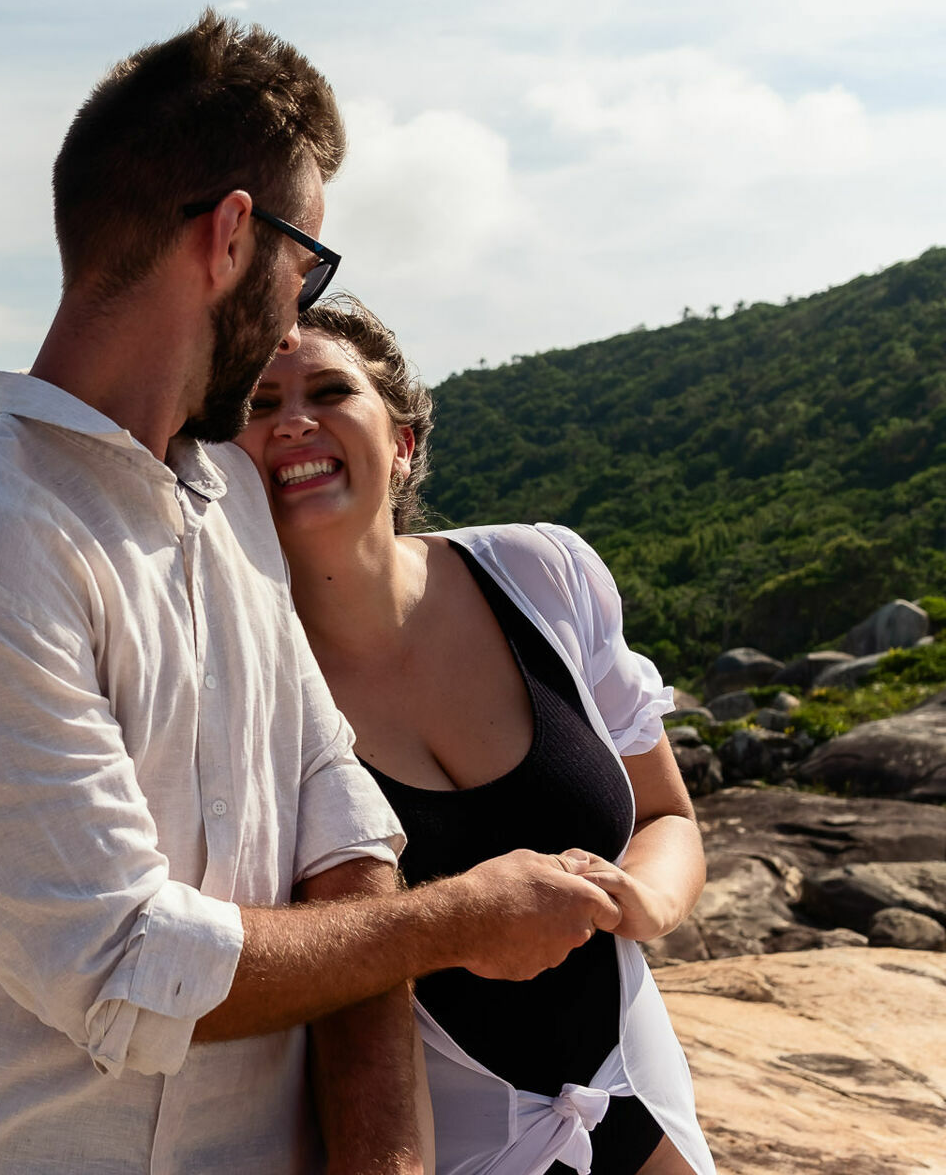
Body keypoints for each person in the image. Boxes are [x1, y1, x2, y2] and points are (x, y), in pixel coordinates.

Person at [0, 11, 622, 1174]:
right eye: (308, 265)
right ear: (233, 236)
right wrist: (456, 920)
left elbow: (339, 821)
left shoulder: (232, 498)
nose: (298, 313)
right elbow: (126, 962)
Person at [233, 293, 714, 1175]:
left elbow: (665, 814)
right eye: (260, 406)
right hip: (447, 1152)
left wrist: (645, 902)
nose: (294, 421)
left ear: (402, 441)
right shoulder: (239, 686)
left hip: (642, 1104)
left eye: (331, 392)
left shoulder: (544, 575)